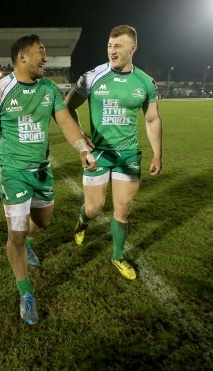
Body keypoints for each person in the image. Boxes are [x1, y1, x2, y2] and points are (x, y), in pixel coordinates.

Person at [0, 34, 96, 325]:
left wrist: (81, 149)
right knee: (14, 235)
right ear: (22, 57)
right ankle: (25, 293)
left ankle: (28, 242)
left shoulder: (49, 88)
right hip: (13, 173)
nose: (46, 57)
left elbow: (66, 121)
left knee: (42, 222)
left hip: (42, 172)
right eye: (41, 52)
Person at [65, 25, 163, 281]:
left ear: (133, 49)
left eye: (118, 46)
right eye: (110, 46)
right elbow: (67, 108)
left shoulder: (145, 82)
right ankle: (82, 220)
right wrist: (82, 137)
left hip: (128, 155)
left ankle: (117, 256)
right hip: (99, 153)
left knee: (124, 209)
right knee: (95, 207)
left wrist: (157, 153)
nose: (112, 50)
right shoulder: (92, 76)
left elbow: (152, 119)